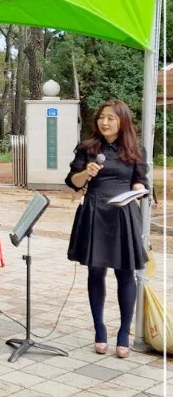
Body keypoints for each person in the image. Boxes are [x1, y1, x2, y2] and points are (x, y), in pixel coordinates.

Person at [65, 99, 148, 359]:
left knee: (126, 273)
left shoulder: (135, 150)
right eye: (102, 117)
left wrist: (138, 190)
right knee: (95, 271)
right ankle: (100, 330)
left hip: (124, 213)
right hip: (95, 211)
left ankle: (123, 334)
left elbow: (140, 182)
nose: (105, 122)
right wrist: (86, 173)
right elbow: (72, 181)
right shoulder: (88, 148)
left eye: (111, 118)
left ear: (122, 121)